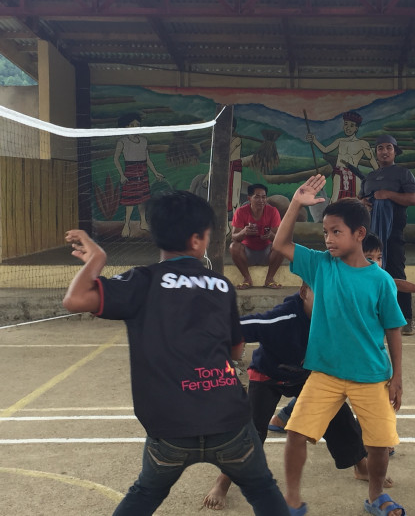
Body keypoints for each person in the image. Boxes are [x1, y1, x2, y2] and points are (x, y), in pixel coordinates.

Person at [62, 190, 288, 516]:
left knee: (144, 494)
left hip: (168, 428)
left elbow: (75, 299)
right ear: (197, 241)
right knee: (263, 490)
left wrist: (97, 259)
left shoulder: (141, 281)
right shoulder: (220, 284)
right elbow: (236, 347)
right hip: (228, 421)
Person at [273, 175, 407, 516]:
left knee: (379, 443)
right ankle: (291, 500)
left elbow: (393, 329)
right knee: (296, 434)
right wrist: (296, 204)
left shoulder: (381, 280)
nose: (329, 239)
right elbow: (281, 244)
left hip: (371, 375)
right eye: (325, 233)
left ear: (359, 234)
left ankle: (376, 495)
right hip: (325, 373)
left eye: (336, 232)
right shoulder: (320, 266)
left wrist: (397, 377)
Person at [202, 282, 393, 510]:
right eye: (321, 294)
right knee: (251, 429)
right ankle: (223, 481)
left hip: (307, 376)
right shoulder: (282, 319)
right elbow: (238, 327)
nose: (328, 303)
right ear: (304, 292)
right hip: (268, 375)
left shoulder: (337, 320)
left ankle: (360, 465)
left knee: (339, 416)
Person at [359, 134, 415, 336]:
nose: (384, 152)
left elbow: (413, 199)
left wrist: (389, 195)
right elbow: (361, 200)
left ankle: (406, 318)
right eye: (380, 148)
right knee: (368, 274)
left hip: (393, 233)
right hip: (369, 235)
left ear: (395, 151)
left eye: (389, 148)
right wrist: (363, 204)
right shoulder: (369, 178)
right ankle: (372, 317)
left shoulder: (404, 174)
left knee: (395, 273)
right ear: (376, 152)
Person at [305, 111, 378, 202]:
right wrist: (314, 140)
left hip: (355, 174)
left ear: (356, 128)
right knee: (335, 199)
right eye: (346, 124)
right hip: (339, 172)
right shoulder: (340, 141)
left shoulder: (362, 144)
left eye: (352, 125)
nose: (348, 128)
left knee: (357, 200)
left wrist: (379, 174)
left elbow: (371, 159)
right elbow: (325, 150)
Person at [113, 112, 165, 238]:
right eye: (132, 125)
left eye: (137, 124)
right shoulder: (122, 141)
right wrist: (121, 175)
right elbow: (116, 159)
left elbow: (147, 159)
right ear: (125, 126)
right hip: (130, 170)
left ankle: (143, 221)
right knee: (130, 200)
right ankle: (127, 224)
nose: (135, 126)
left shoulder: (143, 141)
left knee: (143, 198)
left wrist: (155, 172)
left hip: (142, 170)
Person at [230, 183, 284, 289]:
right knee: (233, 247)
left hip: (267, 252)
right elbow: (234, 237)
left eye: (264, 197)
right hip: (247, 253)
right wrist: (244, 232)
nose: (261, 200)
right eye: (257, 197)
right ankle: (247, 279)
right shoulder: (241, 212)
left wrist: (270, 235)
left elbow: (278, 239)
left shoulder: (273, 211)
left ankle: (269, 279)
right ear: (249, 198)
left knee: (281, 247)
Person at [363, 232, 415, 303]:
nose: (376, 263)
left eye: (379, 258)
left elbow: (397, 284)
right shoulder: (352, 279)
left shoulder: (380, 279)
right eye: (369, 258)